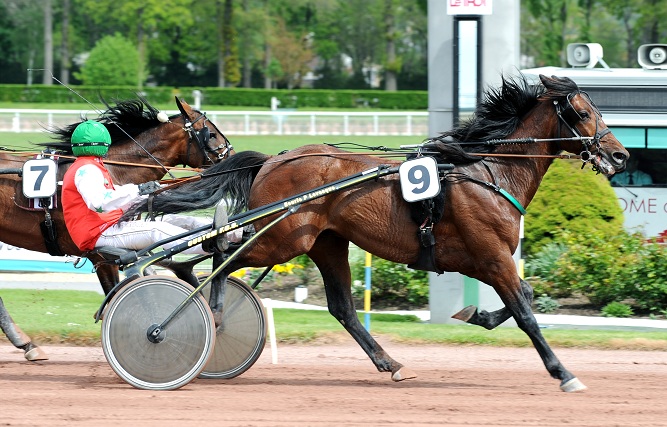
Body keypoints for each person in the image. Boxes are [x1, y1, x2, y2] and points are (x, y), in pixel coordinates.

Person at [62, 120, 218, 255]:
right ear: (105, 143)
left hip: (109, 225)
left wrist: (146, 193)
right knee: (157, 230)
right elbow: (99, 203)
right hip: (98, 233)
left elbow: (114, 195)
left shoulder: (92, 166)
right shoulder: (86, 169)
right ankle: (208, 245)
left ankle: (230, 233)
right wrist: (137, 190)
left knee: (172, 220)